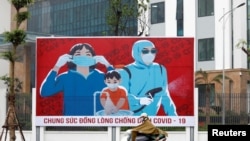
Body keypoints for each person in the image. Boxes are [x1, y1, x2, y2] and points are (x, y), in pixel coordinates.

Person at [40, 43, 113, 115]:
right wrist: (57, 66)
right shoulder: (65, 77)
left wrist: (107, 65)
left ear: (94, 58)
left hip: (97, 120)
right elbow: (45, 91)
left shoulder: (101, 76)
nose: (83, 57)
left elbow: (120, 86)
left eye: (88, 54)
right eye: (78, 54)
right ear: (71, 58)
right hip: (72, 121)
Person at [117, 39, 177, 116]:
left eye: (153, 51)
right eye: (145, 51)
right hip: (130, 119)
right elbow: (121, 96)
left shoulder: (160, 69)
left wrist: (174, 117)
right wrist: (139, 101)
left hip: (151, 120)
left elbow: (165, 95)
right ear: (137, 53)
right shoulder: (125, 71)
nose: (150, 54)